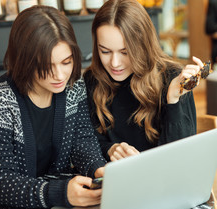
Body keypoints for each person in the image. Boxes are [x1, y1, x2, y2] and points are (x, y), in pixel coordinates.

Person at [0, 6, 107, 209]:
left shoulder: (73, 86)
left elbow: (82, 140)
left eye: (66, 62)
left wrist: (98, 170)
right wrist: (58, 193)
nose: (59, 75)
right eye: (46, 66)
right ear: (24, 60)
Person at [84, 0, 204, 162]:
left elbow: (182, 157)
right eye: (105, 51)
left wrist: (173, 100)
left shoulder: (173, 78)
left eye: (125, 52)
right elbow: (85, 140)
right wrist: (110, 149)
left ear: (143, 46)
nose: (114, 63)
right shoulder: (93, 79)